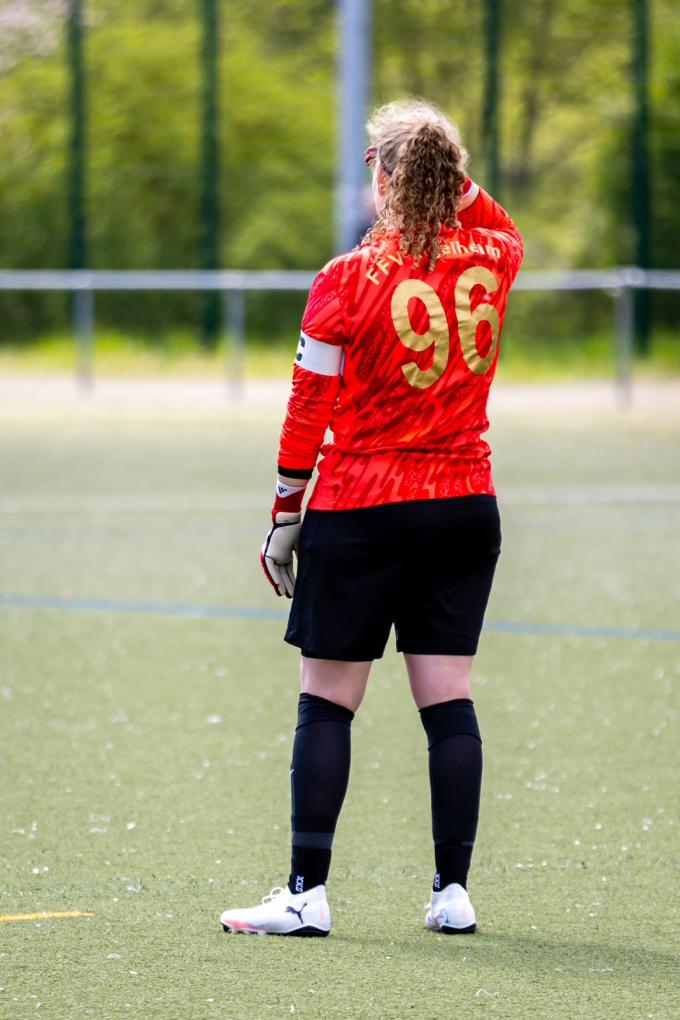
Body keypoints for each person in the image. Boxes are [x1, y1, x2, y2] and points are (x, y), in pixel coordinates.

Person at [220, 99, 523, 937]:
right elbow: (489, 215)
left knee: (327, 701)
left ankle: (305, 895)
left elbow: (305, 411)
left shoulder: (346, 277)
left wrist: (284, 518)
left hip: (363, 506)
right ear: (455, 176)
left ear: (381, 177)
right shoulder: (497, 254)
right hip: (464, 504)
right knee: (448, 701)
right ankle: (452, 893)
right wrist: (439, 162)